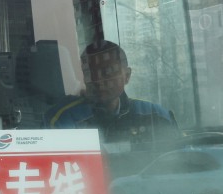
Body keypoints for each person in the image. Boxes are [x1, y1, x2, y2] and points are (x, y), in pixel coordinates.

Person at [45, 40, 179, 149]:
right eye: (89, 73)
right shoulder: (64, 120)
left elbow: (180, 160)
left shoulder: (157, 116)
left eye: (107, 72)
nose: (97, 81)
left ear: (127, 76)